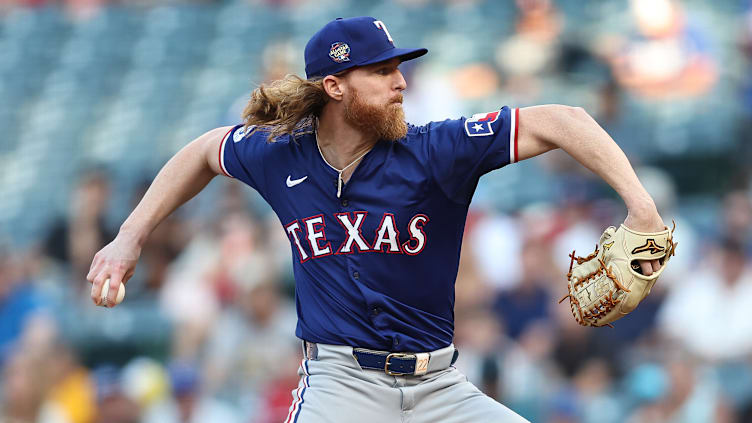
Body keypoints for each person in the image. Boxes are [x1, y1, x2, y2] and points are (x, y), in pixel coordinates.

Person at [86, 16, 666, 422]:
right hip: (341, 386)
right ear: (334, 86)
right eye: (382, 71)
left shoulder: (435, 150)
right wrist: (129, 237)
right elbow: (205, 151)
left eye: (399, 68)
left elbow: (563, 119)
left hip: (441, 386)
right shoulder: (279, 155)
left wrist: (642, 209)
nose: (401, 82)